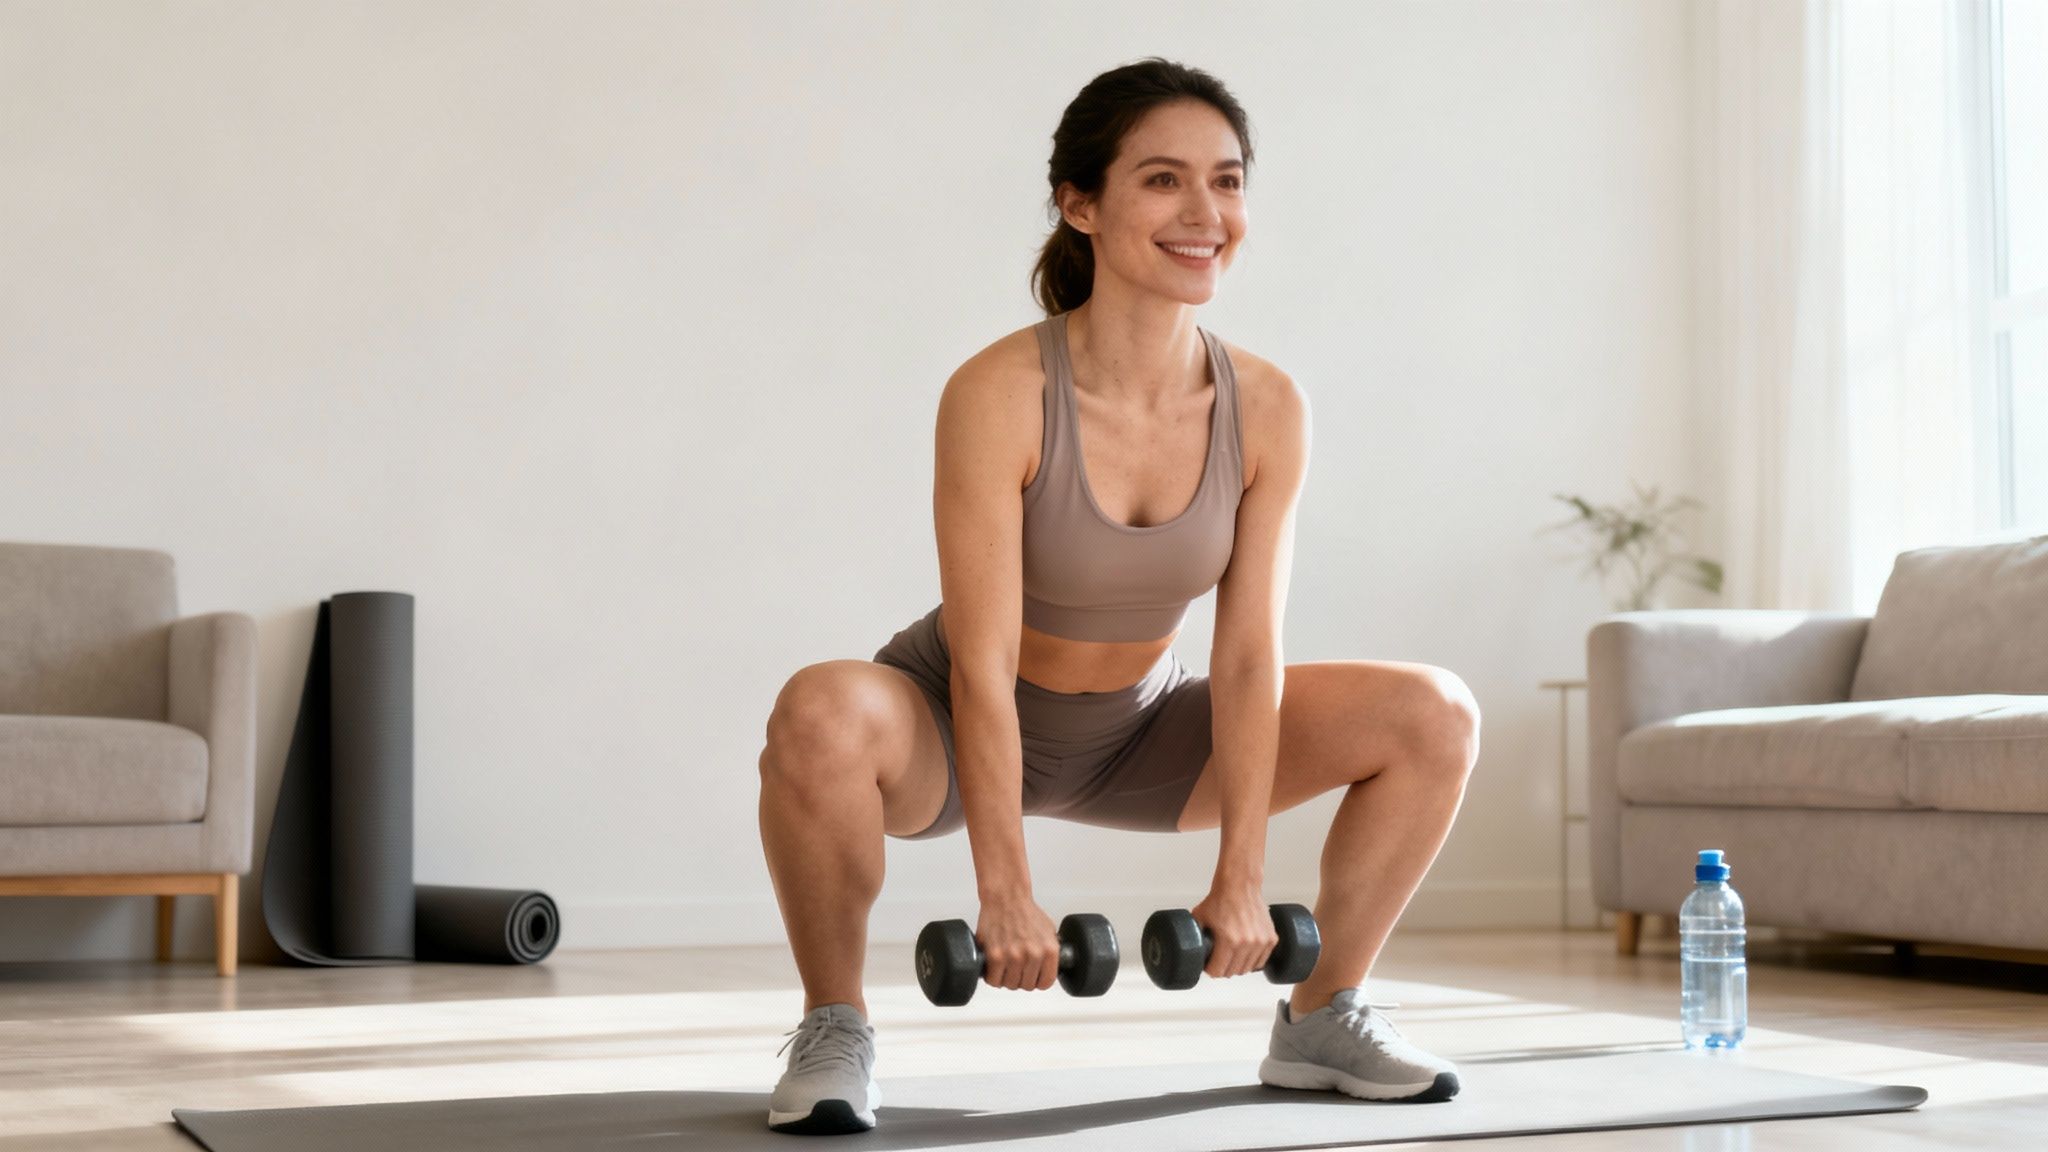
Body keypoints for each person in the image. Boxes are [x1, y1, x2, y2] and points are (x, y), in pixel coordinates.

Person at [756, 57, 1480, 1136]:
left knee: (1434, 712)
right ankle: (834, 1026)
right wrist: (1002, 888)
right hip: (954, 720)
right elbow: (981, 660)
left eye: (1227, 181)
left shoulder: (1268, 405)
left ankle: (1322, 1015)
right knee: (819, 704)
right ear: (1079, 204)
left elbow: (1245, 659)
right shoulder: (1000, 392)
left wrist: (1243, 873)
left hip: (1141, 732)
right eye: (1162, 181)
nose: (1205, 214)